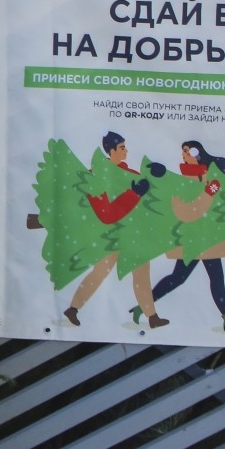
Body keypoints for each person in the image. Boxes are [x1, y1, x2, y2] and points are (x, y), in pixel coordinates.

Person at [63, 131, 167, 329]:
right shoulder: (97, 178)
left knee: (141, 274)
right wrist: (135, 193)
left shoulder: (127, 174)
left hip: (131, 236)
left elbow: (145, 187)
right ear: (110, 151)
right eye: (121, 148)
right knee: (100, 273)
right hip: (110, 237)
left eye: (125, 147)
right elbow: (107, 214)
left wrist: (154, 174)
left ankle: (152, 317)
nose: (126, 151)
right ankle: (73, 308)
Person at [141, 140, 225, 333]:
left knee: (216, 278)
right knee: (178, 278)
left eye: (188, 151)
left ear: (198, 154)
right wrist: (208, 193)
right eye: (183, 152)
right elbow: (186, 212)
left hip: (210, 238)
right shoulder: (181, 182)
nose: (184, 155)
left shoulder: (210, 177)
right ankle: (142, 307)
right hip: (191, 240)